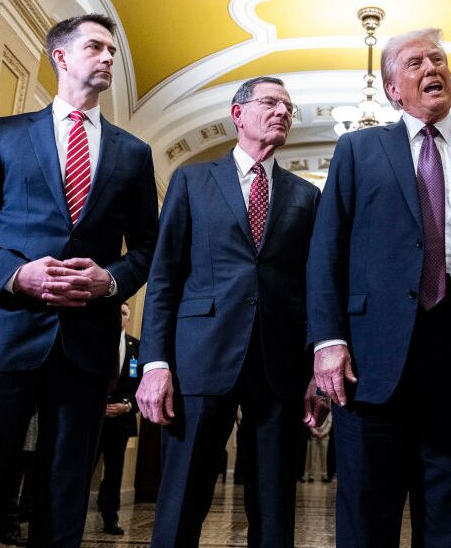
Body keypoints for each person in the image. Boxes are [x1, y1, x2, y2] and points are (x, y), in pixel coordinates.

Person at [307, 28, 451, 546]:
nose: (432, 68)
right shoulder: (358, 149)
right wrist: (327, 341)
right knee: (367, 515)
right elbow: (327, 252)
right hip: (370, 356)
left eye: (439, 59)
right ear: (392, 89)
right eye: (415, 63)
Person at [0, 13, 158, 547]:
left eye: (112, 50)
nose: (108, 58)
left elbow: (151, 250)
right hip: (3, 337)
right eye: (96, 47)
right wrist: (16, 274)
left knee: (64, 499)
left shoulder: (134, 153)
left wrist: (109, 280)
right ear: (60, 57)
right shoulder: (6, 135)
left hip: (86, 346)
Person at [137, 76, 326, 548]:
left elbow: (315, 287)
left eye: (289, 105)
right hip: (199, 359)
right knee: (182, 498)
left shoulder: (306, 195)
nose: (282, 111)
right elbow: (164, 278)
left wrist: (313, 371)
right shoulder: (191, 179)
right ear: (238, 113)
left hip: (280, 367)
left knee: (274, 505)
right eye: (270, 102)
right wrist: (156, 364)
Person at [95, 302, 139, 536]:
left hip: (121, 422)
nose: (120, 317)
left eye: (124, 314)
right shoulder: (96, 341)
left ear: (128, 319)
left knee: (114, 472)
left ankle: (110, 518)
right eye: (117, 312)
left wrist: (126, 406)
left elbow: (141, 385)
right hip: (94, 419)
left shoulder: (136, 348)